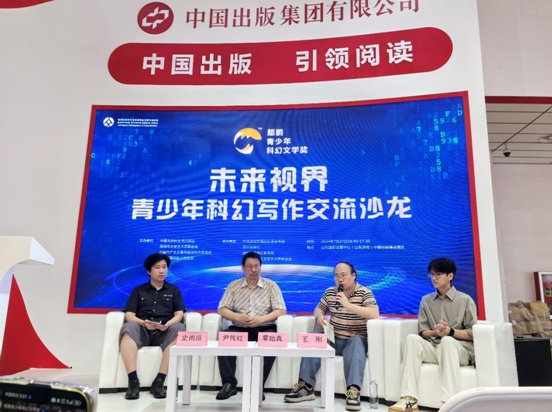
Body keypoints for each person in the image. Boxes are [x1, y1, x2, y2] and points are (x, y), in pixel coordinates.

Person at [284, 262, 379, 411]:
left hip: (354, 341)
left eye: (343, 275)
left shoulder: (364, 292)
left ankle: (353, 392)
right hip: (333, 339)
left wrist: (348, 305)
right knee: (314, 337)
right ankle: (306, 388)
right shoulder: (330, 292)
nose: (340, 279)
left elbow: (374, 314)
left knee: (356, 340)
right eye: (336, 276)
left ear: (354, 275)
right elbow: (318, 309)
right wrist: (320, 316)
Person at [389, 258, 477, 412]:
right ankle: (408, 399)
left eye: (438, 274)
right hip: (435, 347)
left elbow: (472, 334)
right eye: (432, 274)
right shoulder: (426, 300)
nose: (434, 278)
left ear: (450, 276)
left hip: (459, 350)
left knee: (448, 341)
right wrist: (436, 332)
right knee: (411, 339)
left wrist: (449, 331)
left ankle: (450, 403)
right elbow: (423, 331)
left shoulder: (465, 300)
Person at [216, 251, 287, 400]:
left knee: (272, 341)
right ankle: (229, 384)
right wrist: (238, 317)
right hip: (239, 328)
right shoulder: (234, 286)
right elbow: (222, 309)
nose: (253, 270)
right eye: (249, 266)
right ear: (243, 268)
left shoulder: (271, 285)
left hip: (264, 327)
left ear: (261, 267)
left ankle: (257, 385)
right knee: (224, 339)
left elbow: (281, 310)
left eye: (256, 266)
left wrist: (261, 320)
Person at [119, 253, 186, 400]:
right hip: (142, 329)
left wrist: (168, 324)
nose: (162, 271)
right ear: (149, 271)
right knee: (128, 327)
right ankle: (133, 382)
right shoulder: (138, 291)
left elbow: (179, 314)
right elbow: (129, 314)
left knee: (180, 329)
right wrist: (143, 323)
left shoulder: (174, 290)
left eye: (164, 267)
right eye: (157, 267)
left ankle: (159, 382)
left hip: (164, 331)